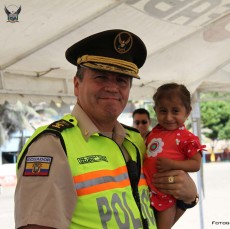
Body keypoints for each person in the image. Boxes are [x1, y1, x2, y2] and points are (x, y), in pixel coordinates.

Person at [14, 29, 199, 229]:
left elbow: (151, 219)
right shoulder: (52, 145)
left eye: (121, 80)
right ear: (77, 84)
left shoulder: (136, 142)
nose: (112, 87)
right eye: (101, 77)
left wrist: (188, 198)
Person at [144, 83, 206, 229]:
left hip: (167, 197)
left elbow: (196, 164)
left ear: (188, 112)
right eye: (163, 111)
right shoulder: (153, 133)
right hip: (145, 194)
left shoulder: (188, 138)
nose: (169, 117)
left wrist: (172, 164)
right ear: (155, 110)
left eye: (175, 111)